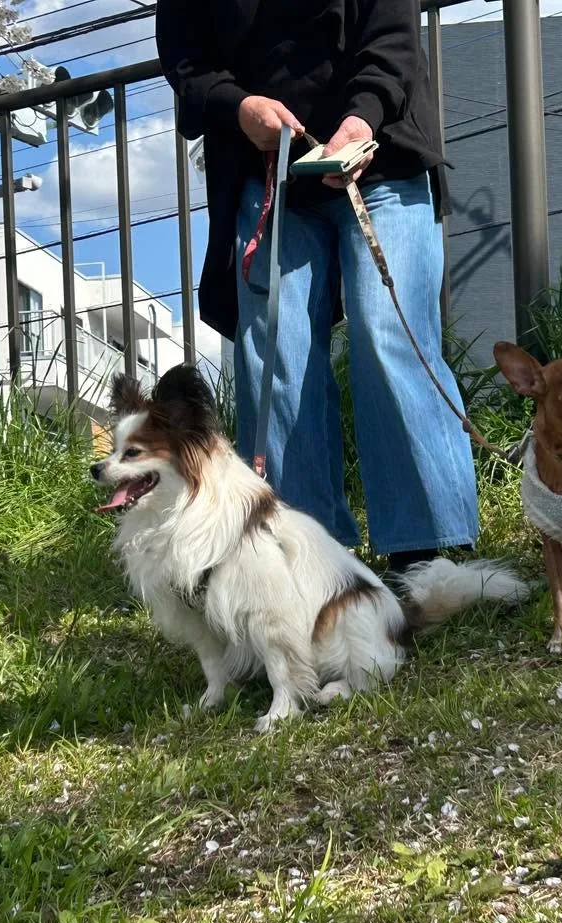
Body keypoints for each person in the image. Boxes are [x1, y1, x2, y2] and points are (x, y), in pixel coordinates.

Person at [155, 0, 479, 574]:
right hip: (266, 170)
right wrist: (240, 106)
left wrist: (361, 119)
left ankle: (427, 548)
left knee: (388, 332)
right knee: (274, 356)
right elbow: (187, 62)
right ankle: (308, 554)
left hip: (381, 152)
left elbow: (393, 39)